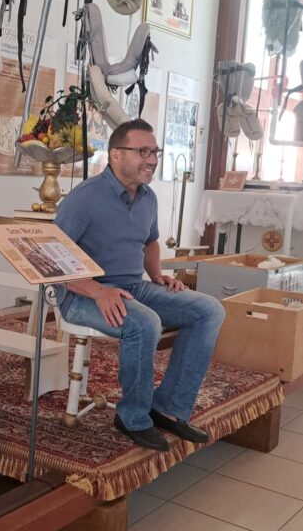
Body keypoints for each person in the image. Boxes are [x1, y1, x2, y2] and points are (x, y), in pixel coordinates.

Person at [56, 118, 225, 451]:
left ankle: (168, 408)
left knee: (209, 310)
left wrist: (157, 274)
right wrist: (98, 291)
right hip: (81, 293)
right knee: (144, 323)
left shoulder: (148, 197)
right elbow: (54, 262)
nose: (152, 159)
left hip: (132, 286)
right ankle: (132, 417)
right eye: (143, 152)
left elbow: (150, 241)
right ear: (115, 155)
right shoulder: (84, 199)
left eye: (155, 152)